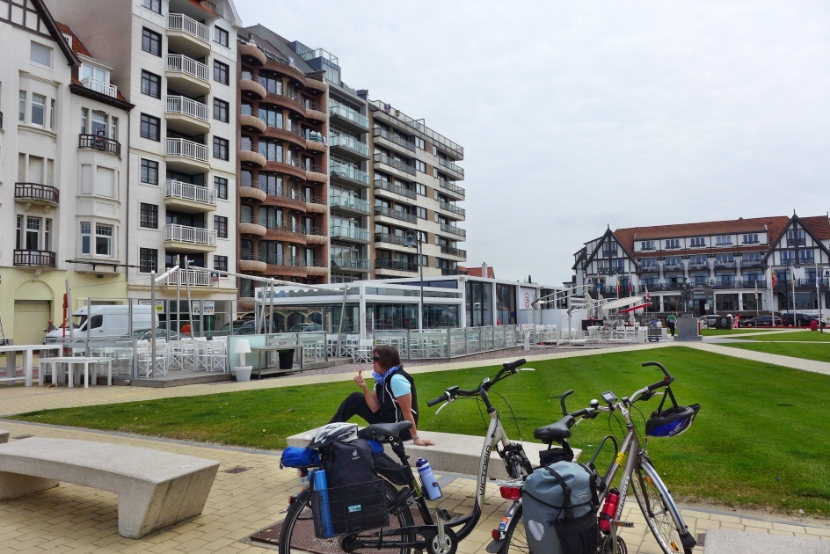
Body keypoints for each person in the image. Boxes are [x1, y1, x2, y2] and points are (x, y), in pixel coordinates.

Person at [329, 345, 434, 446]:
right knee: (355, 398)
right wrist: (365, 387)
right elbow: (374, 408)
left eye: (376, 359)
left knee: (350, 438)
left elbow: (407, 412)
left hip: (398, 429)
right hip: (385, 420)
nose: (373, 362)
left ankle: (329, 439)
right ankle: (328, 430)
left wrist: (416, 438)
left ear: (387, 361)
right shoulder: (381, 378)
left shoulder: (397, 379)